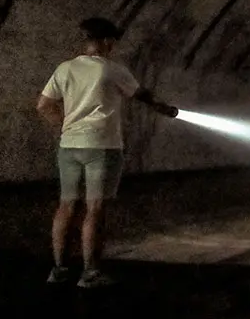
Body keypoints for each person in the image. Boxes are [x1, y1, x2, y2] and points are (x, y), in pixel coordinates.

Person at [36, 17, 178, 288]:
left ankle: (59, 269)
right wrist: (167, 109)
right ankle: (90, 273)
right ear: (105, 42)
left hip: (70, 146)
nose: (113, 45)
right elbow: (143, 95)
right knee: (95, 208)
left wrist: (65, 124)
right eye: (112, 41)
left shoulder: (65, 69)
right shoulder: (112, 70)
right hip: (103, 147)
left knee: (67, 205)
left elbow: (43, 105)